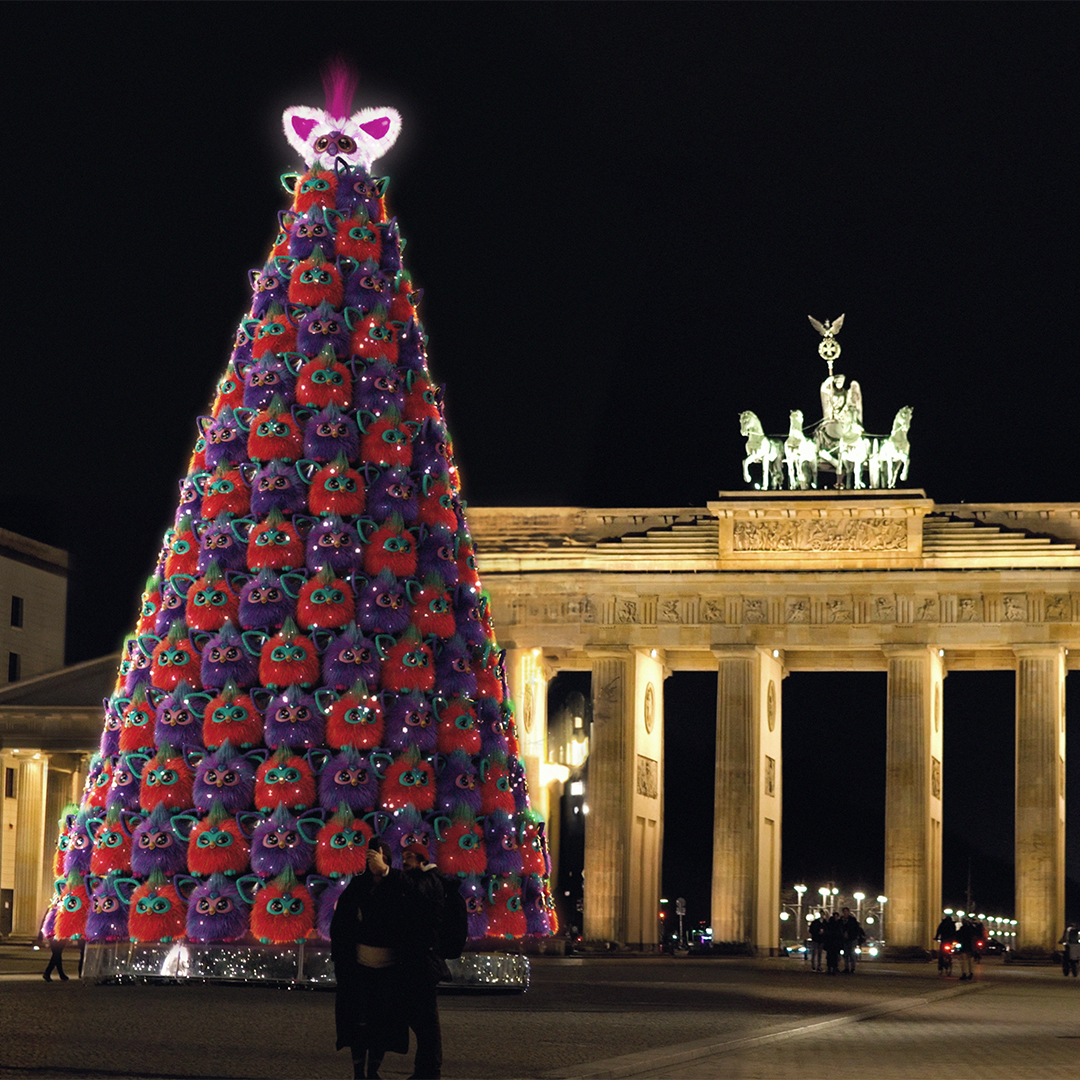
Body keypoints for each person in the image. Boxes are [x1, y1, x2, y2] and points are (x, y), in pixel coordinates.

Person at [330, 839, 411, 1080]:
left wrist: (386, 873)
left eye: (381, 857)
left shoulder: (398, 884)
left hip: (390, 969)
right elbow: (342, 924)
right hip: (360, 967)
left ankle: (373, 1070)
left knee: (383, 1025)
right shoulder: (358, 885)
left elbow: (414, 897)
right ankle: (359, 1072)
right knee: (359, 1023)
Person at [400, 843, 447, 1080]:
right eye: (403, 857)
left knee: (426, 1023)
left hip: (424, 963)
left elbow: (417, 892)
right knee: (421, 1020)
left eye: (409, 857)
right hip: (418, 961)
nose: (405, 861)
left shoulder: (429, 880)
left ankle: (429, 1072)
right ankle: (425, 1070)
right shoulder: (422, 880)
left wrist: (389, 873)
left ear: (422, 860)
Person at [839, 907, 865, 973]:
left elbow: (856, 929)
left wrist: (851, 934)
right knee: (846, 954)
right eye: (844, 912)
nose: (845, 913)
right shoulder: (841, 920)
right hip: (844, 939)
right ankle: (847, 967)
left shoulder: (852, 920)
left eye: (846, 911)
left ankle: (853, 967)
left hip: (852, 938)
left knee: (852, 953)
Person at [954, 916, 977, 981]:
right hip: (970, 947)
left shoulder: (962, 929)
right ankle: (971, 973)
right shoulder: (972, 929)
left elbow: (957, 936)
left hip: (964, 946)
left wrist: (956, 940)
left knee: (964, 960)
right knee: (970, 960)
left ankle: (964, 973)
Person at [934, 912, 957, 976]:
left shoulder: (943, 923)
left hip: (944, 940)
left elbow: (939, 931)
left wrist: (936, 937)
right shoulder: (952, 924)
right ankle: (949, 959)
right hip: (950, 940)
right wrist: (955, 939)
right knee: (950, 950)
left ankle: (940, 966)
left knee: (941, 953)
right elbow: (955, 932)